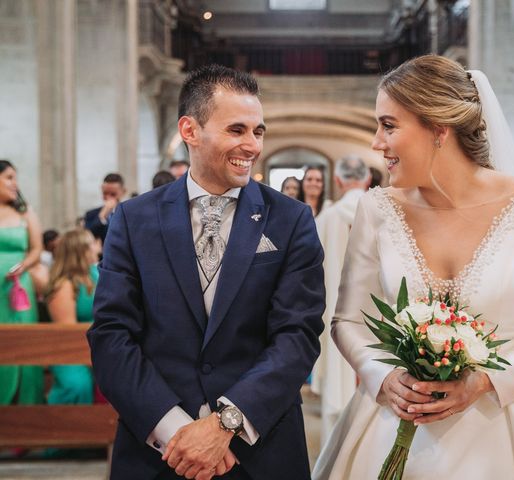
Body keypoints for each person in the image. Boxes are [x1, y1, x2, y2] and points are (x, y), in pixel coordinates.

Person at [313, 55, 514, 479]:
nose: (376, 143)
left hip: (512, 429)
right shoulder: (376, 209)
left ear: (438, 128)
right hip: (396, 421)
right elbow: (346, 321)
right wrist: (382, 377)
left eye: (389, 125)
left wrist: (485, 380)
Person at [87, 64, 325, 480]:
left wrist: (223, 425)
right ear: (190, 130)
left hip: (258, 449)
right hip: (159, 453)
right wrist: (178, 432)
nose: (252, 145)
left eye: (259, 131)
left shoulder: (291, 219)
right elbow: (111, 334)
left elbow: (297, 336)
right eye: (237, 130)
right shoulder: (134, 218)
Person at [312, 155, 370, 441]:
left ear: (337, 181)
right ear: (368, 178)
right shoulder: (382, 211)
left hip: (336, 314)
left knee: (338, 385)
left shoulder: (327, 218)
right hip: (375, 317)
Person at [0, 160, 44, 406]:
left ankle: (28, 406)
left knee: (25, 342)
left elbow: (36, 249)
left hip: (18, 284)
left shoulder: (25, 211)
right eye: (8, 177)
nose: (15, 184)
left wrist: (24, 265)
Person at [46, 228, 101, 405]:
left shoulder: (97, 273)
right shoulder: (64, 285)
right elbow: (68, 335)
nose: (96, 247)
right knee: (77, 385)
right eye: (92, 243)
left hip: (102, 345)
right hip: (73, 350)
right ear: (80, 250)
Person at [84, 173, 126, 245]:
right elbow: (86, 239)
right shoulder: (91, 214)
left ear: (123, 192)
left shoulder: (128, 213)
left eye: (113, 194)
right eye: (105, 193)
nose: (108, 197)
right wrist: (102, 216)